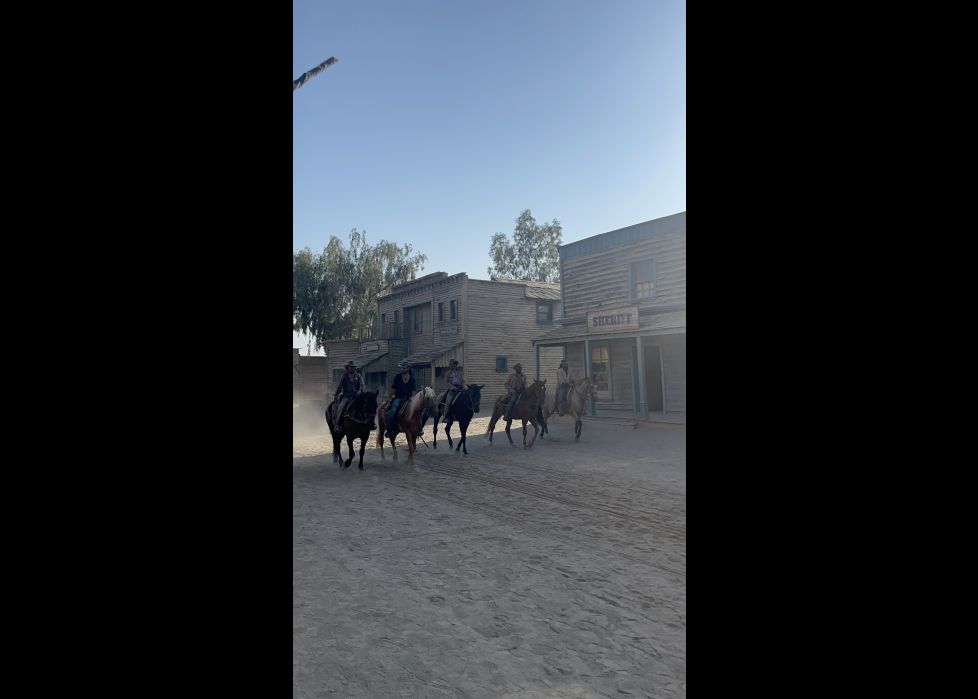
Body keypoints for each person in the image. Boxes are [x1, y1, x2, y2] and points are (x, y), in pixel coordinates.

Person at [385, 363, 415, 439]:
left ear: (408, 369)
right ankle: (389, 429)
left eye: (404, 368)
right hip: (398, 398)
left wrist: (412, 396)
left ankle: (418, 428)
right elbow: (393, 388)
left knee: (417, 409)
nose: (403, 369)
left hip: (408, 398)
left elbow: (413, 389)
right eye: (402, 368)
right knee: (393, 410)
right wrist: (390, 397)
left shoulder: (412, 378)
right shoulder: (398, 377)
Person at [332, 360, 363, 434]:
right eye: (350, 367)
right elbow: (340, 386)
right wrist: (336, 394)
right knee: (340, 408)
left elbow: (361, 385)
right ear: (347, 368)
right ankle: (337, 424)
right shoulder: (344, 376)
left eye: (353, 367)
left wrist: (359, 391)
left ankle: (367, 422)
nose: (352, 368)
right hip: (347, 396)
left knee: (365, 406)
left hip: (356, 397)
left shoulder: (358, 376)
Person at [442, 359, 463, 423]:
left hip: (459, 388)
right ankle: (445, 417)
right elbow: (446, 382)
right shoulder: (448, 373)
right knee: (448, 402)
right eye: (452, 364)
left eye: (454, 364)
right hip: (452, 390)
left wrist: (465, 387)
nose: (453, 366)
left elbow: (463, 381)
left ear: (456, 365)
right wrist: (452, 387)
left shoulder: (459, 372)